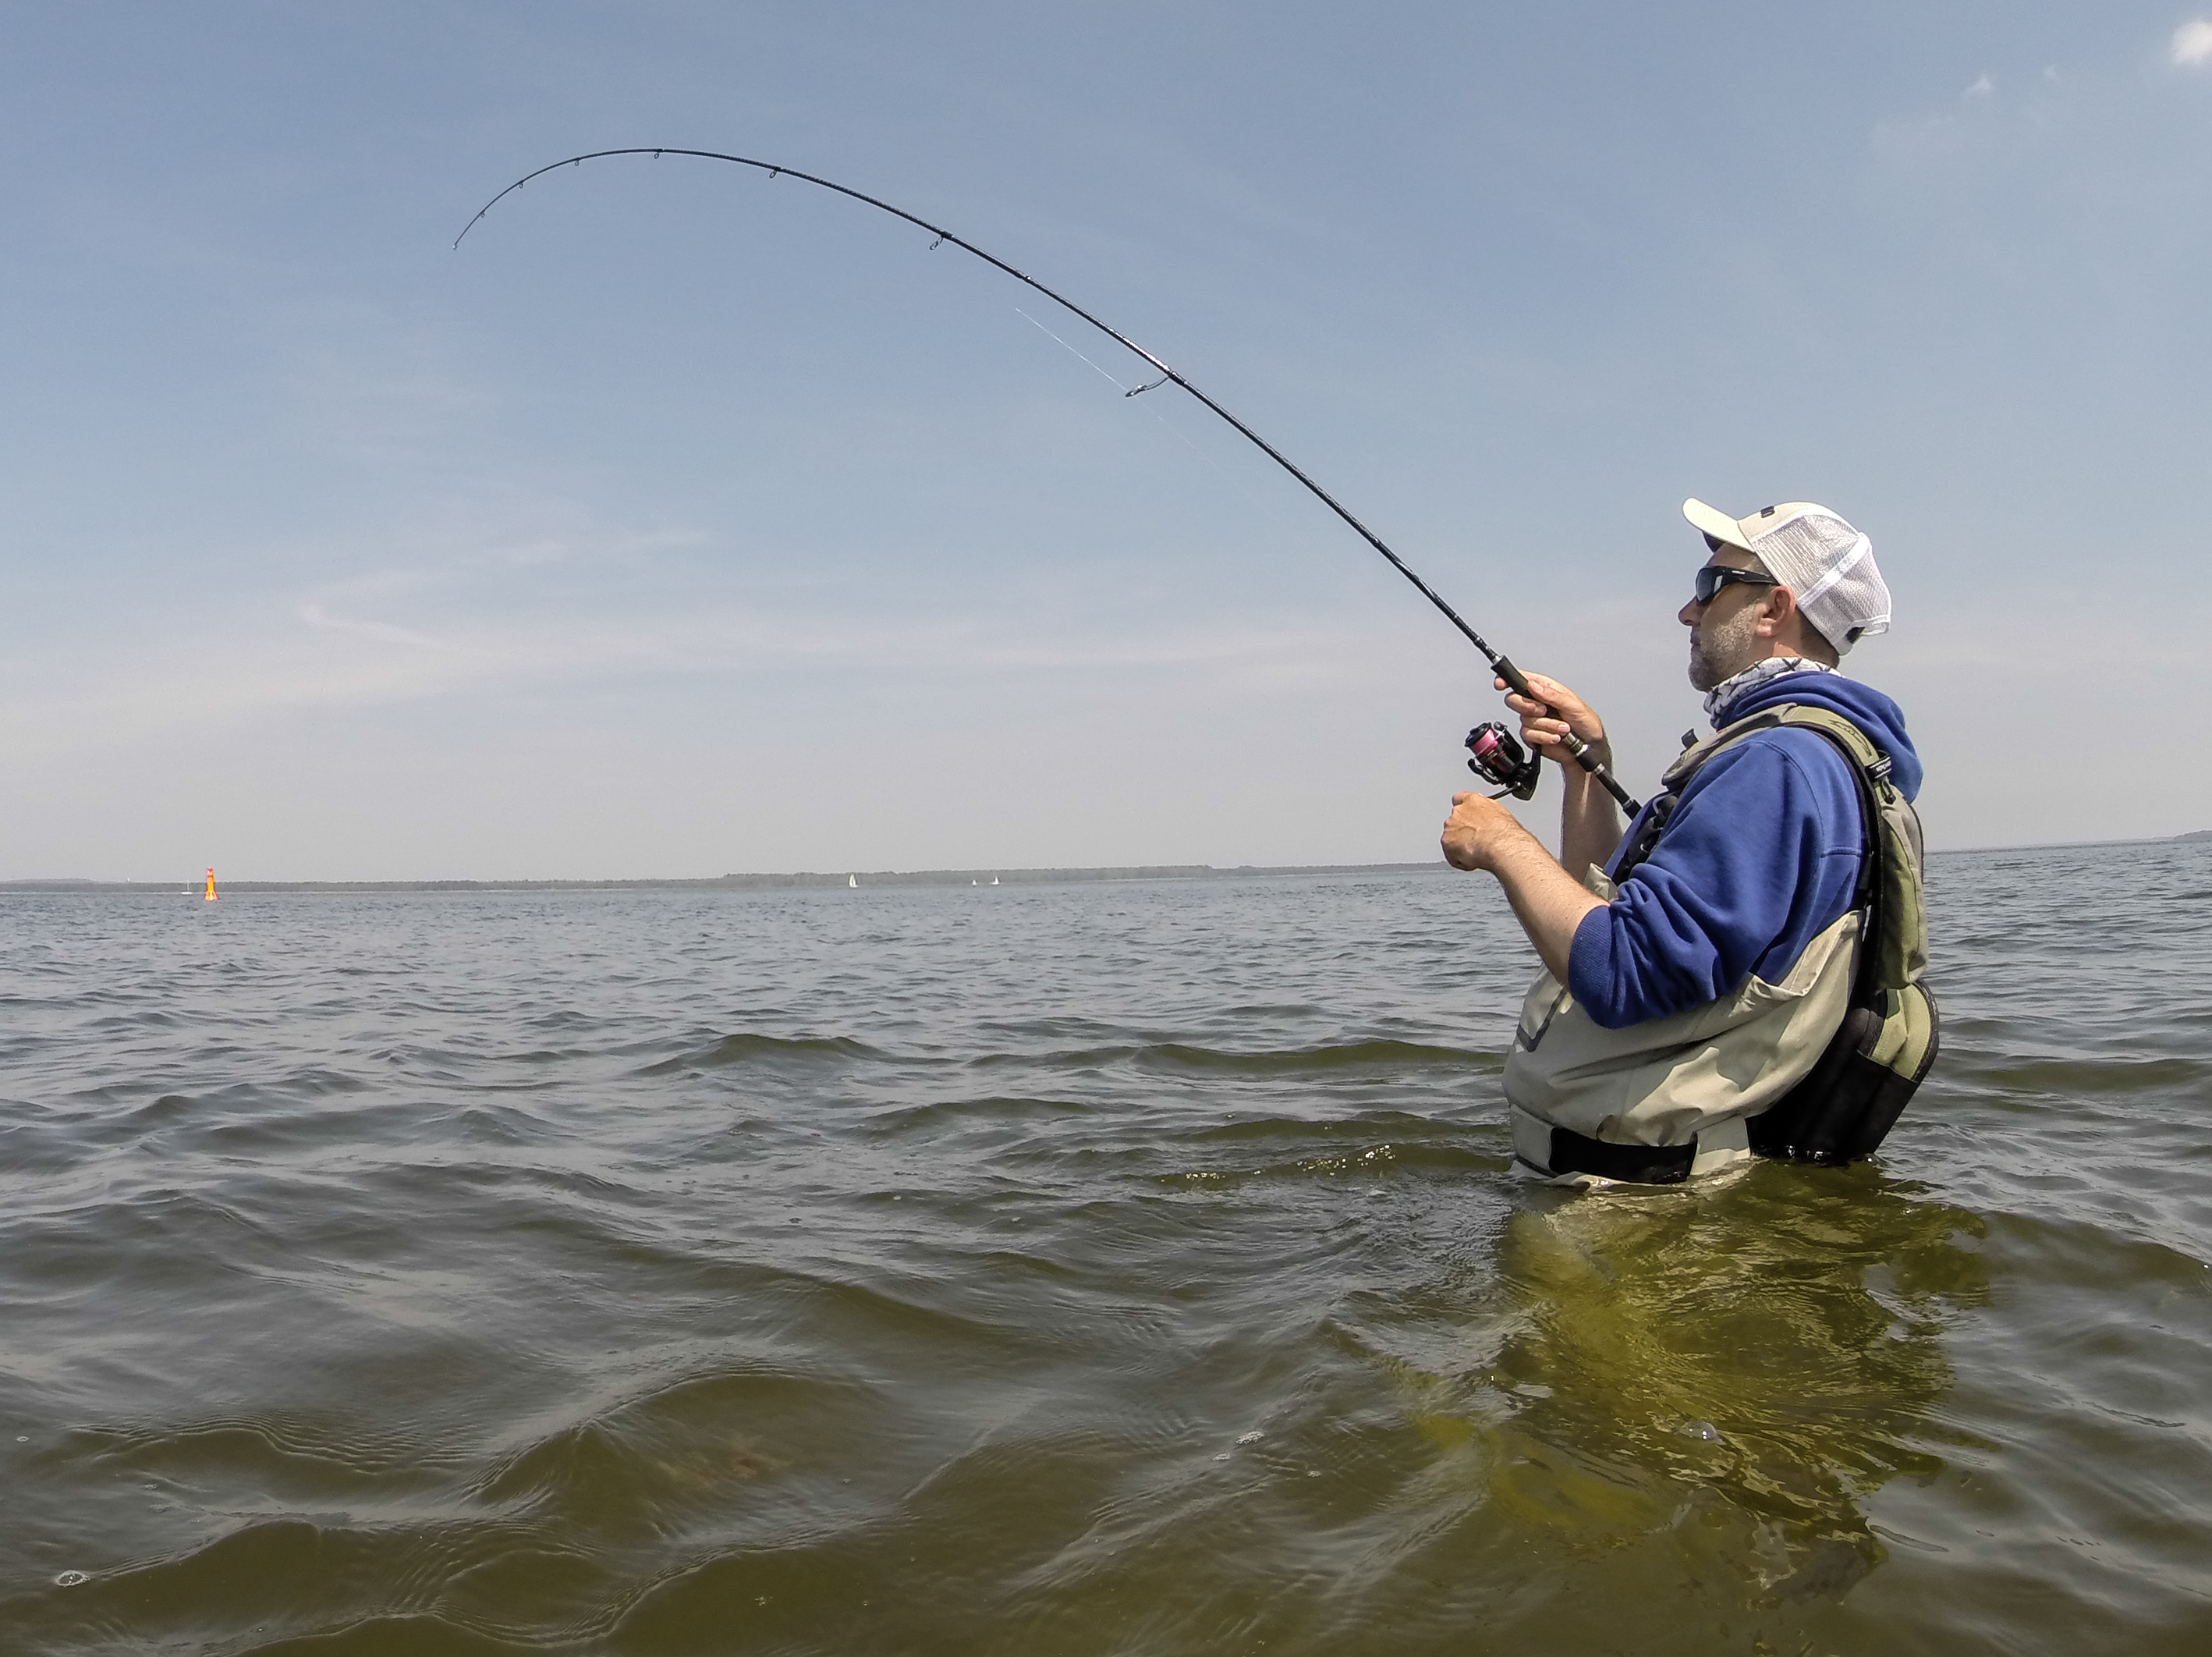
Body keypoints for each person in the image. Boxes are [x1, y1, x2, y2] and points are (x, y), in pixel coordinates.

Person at [1439, 498, 1924, 1183]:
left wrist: (1501, 843)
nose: (1688, 612)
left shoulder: (1774, 763)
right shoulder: (1809, 753)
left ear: (1772, 609)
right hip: (1660, 1180)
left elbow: (1625, 973)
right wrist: (1586, 769)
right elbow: (1604, 920)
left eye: (1710, 586)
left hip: (1637, 1208)